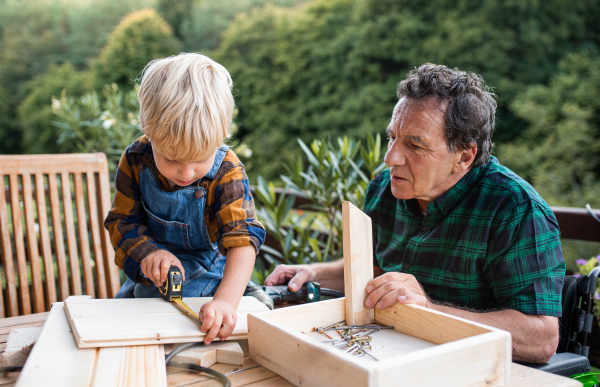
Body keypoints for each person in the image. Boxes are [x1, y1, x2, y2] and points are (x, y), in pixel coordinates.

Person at [265, 63, 565, 364]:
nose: (390, 158)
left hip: (474, 370)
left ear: (463, 156)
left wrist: (429, 310)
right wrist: (317, 273)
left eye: (415, 144)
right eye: (392, 137)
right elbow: (375, 272)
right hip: (386, 356)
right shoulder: (385, 189)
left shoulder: (515, 209)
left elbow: (541, 337)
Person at [105, 53, 266, 345]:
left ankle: (245, 293)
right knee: (121, 317)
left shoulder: (227, 169)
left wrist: (226, 302)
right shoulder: (135, 159)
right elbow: (122, 221)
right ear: (148, 130)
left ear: (221, 136)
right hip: (153, 272)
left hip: (210, 273)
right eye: (172, 158)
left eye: (200, 159)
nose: (186, 172)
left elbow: (242, 239)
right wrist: (148, 253)